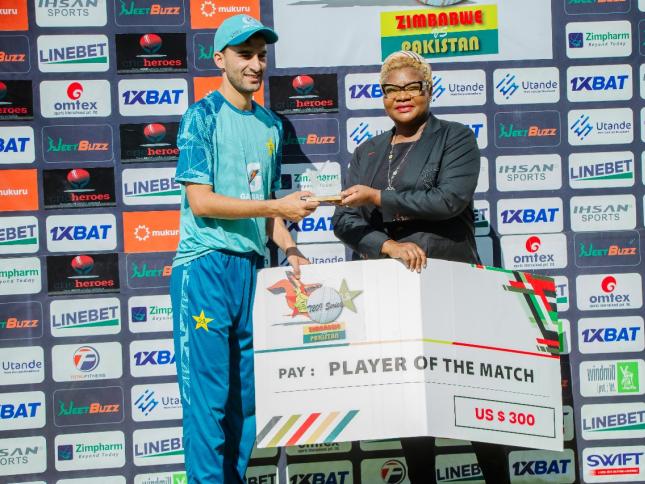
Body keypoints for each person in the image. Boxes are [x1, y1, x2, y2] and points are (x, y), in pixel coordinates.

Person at [332, 50, 510, 483]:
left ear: (428, 90)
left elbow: (449, 200)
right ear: (382, 97)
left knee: (472, 398)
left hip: (450, 285)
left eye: (412, 87)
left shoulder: (455, 138)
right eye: (391, 90)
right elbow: (343, 219)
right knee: (410, 403)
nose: (402, 96)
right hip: (390, 290)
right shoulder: (368, 151)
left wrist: (377, 198)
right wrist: (387, 245)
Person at [170, 15, 319, 483]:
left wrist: (291, 250)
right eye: (244, 55)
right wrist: (277, 206)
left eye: (261, 55)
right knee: (208, 403)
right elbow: (202, 201)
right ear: (220, 59)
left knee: (247, 403)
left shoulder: (272, 124)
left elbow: (267, 209)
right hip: (205, 267)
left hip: (252, 272)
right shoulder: (201, 116)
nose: (255, 65)